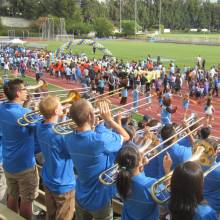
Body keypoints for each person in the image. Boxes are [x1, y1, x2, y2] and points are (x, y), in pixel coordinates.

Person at [65, 99, 129, 220]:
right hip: (99, 199)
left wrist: (96, 125)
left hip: (80, 195)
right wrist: (109, 120)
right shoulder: (99, 140)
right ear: (90, 116)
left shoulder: (68, 138)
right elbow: (126, 136)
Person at [0, 79, 39, 219]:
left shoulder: (2, 107)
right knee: (27, 200)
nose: (27, 91)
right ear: (17, 93)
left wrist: (25, 106)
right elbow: (44, 127)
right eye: (24, 89)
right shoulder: (25, 114)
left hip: (9, 162)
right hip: (25, 166)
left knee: (12, 194)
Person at [36, 95, 76, 220]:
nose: (62, 106)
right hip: (63, 183)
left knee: (51, 215)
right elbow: (74, 153)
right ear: (55, 111)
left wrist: (63, 116)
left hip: (48, 179)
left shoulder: (39, 126)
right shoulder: (61, 136)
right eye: (60, 105)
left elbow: (53, 129)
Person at [116, 144, 172, 220]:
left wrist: (141, 166)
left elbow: (135, 178)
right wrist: (167, 170)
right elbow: (165, 198)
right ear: (139, 162)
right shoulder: (150, 184)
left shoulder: (120, 179)